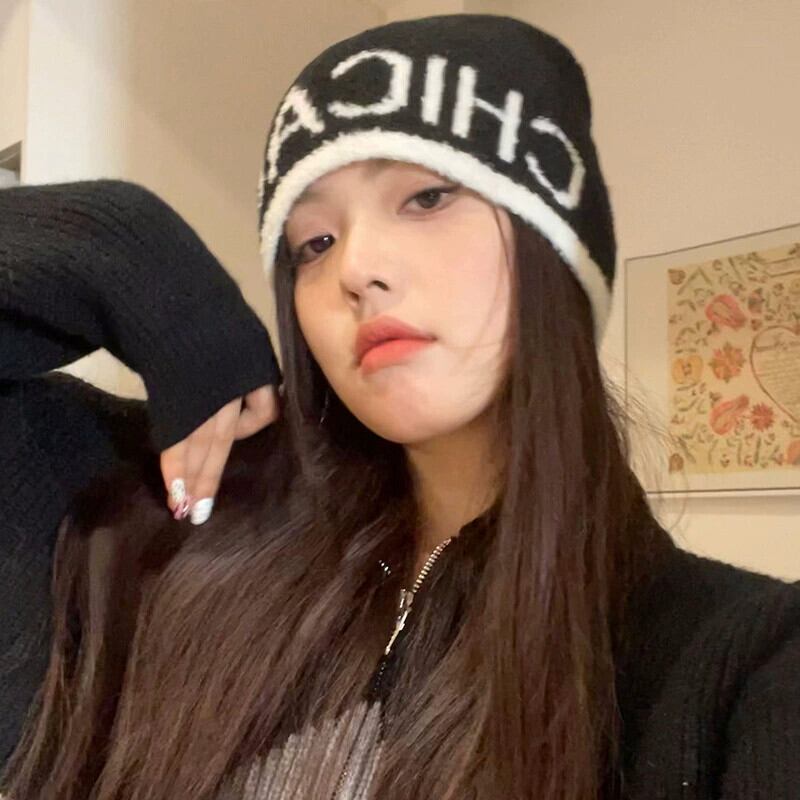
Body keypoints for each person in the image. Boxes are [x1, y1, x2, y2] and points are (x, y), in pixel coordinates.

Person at [1, 12, 798, 800]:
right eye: (314, 243)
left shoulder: (745, 665)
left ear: (555, 245)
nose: (357, 268)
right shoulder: (174, 527)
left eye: (426, 197)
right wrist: (122, 244)